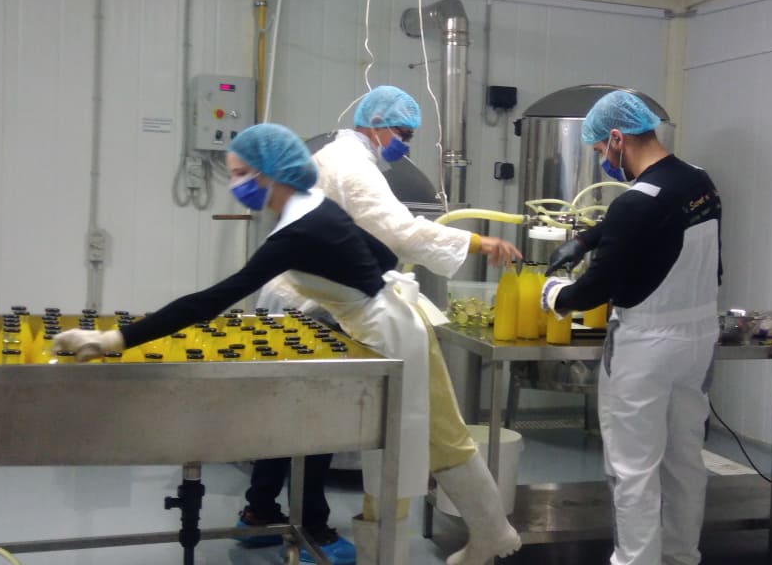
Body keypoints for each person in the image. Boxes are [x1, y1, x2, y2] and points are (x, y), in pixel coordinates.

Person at [50, 124, 420, 565]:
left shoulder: (298, 228)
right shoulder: (314, 209)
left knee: (325, 428)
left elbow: (212, 300)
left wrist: (116, 339)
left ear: (273, 172)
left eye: (243, 174)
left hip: (376, 335)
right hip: (354, 321)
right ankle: (262, 513)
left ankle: (313, 532)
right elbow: (385, 257)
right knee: (295, 416)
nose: (237, 185)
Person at [252, 86, 522, 565]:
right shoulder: (351, 165)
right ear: (374, 123)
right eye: (402, 133)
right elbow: (400, 230)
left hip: (314, 303)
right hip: (325, 309)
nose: (405, 144)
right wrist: (479, 243)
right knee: (406, 428)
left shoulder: (336, 158)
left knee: (323, 425)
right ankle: (480, 531)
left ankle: (269, 513)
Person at [540, 91, 722, 565]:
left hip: (644, 347)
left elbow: (592, 292)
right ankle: (681, 557)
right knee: (685, 460)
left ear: (618, 138)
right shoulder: (698, 181)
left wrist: (555, 294)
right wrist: (586, 239)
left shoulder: (635, 202)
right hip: (699, 340)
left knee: (632, 469)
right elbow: (653, 217)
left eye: (602, 149)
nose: (603, 158)